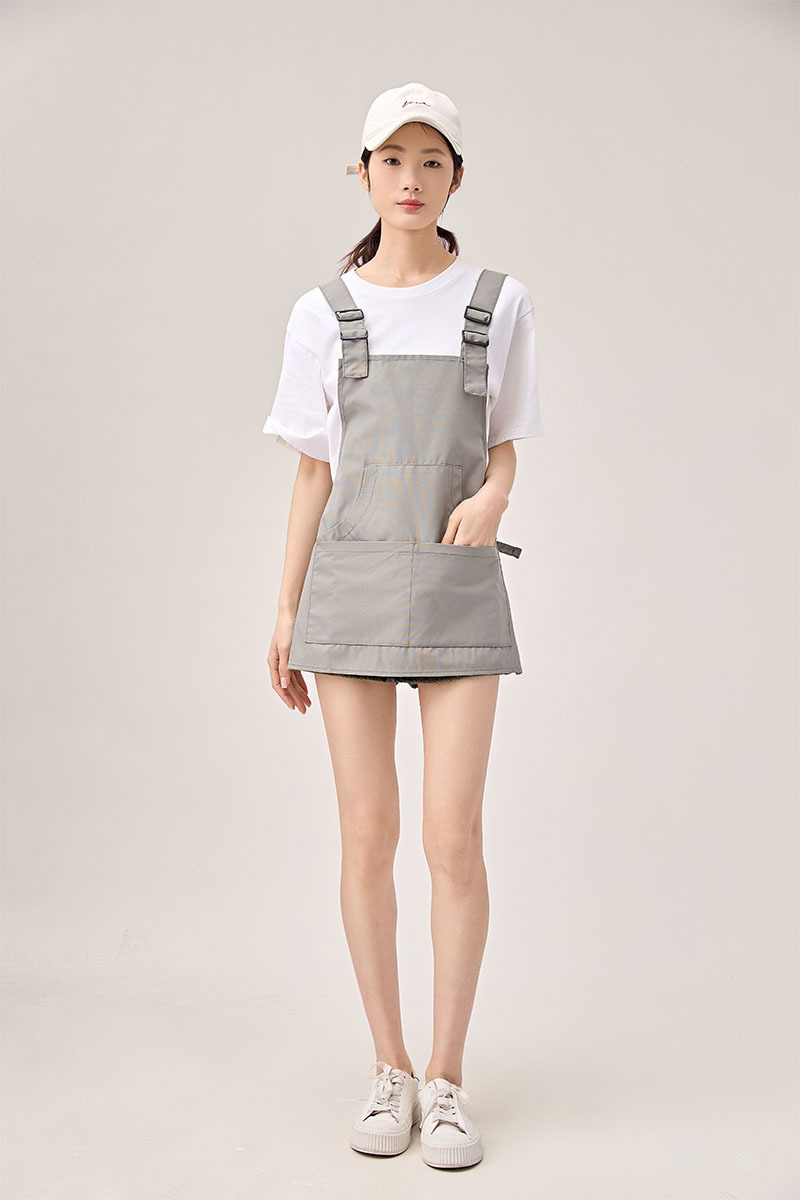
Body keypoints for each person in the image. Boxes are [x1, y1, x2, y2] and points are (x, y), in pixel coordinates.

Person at [263, 82, 543, 1170]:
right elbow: (312, 472)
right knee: (367, 835)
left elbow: (504, 442)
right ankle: (387, 1067)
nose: (411, 180)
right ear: (364, 172)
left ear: (456, 178)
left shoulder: (498, 303)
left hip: (458, 579)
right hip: (351, 586)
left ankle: (447, 1076)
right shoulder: (323, 311)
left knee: (452, 838)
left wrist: (495, 496)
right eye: (392, 160)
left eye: (432, 162)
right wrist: (285, 609)